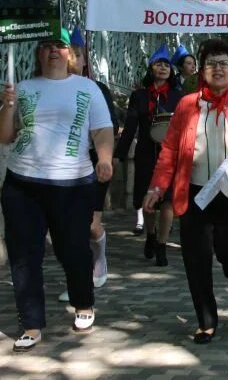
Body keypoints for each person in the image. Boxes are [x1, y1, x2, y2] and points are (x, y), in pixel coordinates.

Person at [142, 38, 228, 344]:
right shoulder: (186, 104)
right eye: (211, 64)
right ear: (201, 71)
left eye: (224, 64)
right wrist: (157, 186)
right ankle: (206, 320)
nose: (217, 69)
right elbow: (169, 151)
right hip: (193, 195)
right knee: (196, 259)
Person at [0, 28, 114, 352]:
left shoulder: (87, 88)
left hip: (73, 184)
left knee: (73, 250)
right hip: (22, 183)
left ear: (71, 55)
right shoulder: (22, 88)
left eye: (60, 46)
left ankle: (83, 303)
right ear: (39, 54)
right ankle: (31, 324)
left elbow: (102, 129)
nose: (54, 51)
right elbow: (5, 136)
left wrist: (104, 159)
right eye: (47, 46)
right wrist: (7, 106)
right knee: (24, 256)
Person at [58, 28, 118, 303]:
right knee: (69, 229)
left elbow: (109, 127)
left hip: (92, 164)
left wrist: (104, 157)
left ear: (85, 60)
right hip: (60, 167)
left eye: (79, 54)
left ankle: (100, 255)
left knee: (90, 225)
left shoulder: (97, 89)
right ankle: (78, 283)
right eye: (69, 53)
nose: (73, 59)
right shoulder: (49, 87)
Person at [114, 44, 182, 267]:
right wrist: (119, 155)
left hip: (171, 157)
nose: (162, 68)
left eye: (166, 65)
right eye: (158, 64)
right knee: (148, 202)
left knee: (168, 203)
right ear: (151, 68)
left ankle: (162, 244)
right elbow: (131, 126)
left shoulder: (178, 97)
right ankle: (150, 234)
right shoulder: (139, 96)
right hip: (145, 155)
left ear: (172, 71)